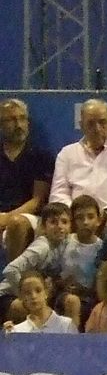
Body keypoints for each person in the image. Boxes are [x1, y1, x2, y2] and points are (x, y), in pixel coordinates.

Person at [1, 98, 53, 262]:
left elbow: (38, 200)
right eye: (12, 119)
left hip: (28, 217)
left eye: (22, 118)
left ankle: (12, 280)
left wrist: (7, 218)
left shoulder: (40, 156)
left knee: (17, 223)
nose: (19, 124)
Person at [1, 203, 70, 320]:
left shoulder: (65, 243)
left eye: (64, 222)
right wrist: (24, 295)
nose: (59, 226)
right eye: (53, 222)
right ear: (44, 227)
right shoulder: (41, 248)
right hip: (8, 294)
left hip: (38, 294)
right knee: (26, 308)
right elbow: (10, 270)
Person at [57, 194, 104, 326]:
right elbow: (53, 272)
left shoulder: (102, 248)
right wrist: (62, 283)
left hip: (91, 298)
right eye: (79, 218)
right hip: (63, 295)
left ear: (99, 220)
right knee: (72, 301)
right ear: (73, 221)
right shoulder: (65, 242)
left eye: (90, 217)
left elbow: (102, 284)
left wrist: (84, 289)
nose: (85, 222)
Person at [3, 271, 76, 335]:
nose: (33, 296)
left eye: (38, 291)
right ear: (21, 297)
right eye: (27, 293)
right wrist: (6, 340)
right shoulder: (17, 331)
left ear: (46, 292)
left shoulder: (66, 325)